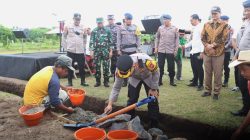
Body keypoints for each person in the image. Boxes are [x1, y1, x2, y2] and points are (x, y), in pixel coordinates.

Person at [104, 53, 160, 128]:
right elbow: (116, 87)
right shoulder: (119, 68)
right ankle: (130, 120)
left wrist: (153, 88)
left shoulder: (147, 61)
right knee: (132, 99)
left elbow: (156, 72)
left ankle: (154, 124)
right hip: (134, 78)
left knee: (153, 99)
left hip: (148, 76)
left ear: (133, 66)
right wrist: (110, 104)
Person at [201, 6, 229, 100]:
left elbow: (224, 38)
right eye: (212, 13)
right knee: (207, 72)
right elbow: (202, 37)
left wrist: (212, 46)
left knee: (218, 73)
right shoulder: (206, 24)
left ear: (220, 13)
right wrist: (207, 46)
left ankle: (216, 92)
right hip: (207, 52)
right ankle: (207, 90)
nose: (214, 15)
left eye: (216, 13)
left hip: (219, 53)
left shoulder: (225, 24)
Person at [231, 0, 250, 116]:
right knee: (242, 84)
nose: (246, 12)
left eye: (248, 10)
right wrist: (236, 55)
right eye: (245, 10)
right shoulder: (245, 23)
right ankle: (245, 109)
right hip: (242, 56)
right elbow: (241, 41)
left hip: (249, 57)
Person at [62, 13, 90, 87]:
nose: (77, 21)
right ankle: (69, 82)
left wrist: (84, 47)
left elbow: (85, 37)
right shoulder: (67, 26)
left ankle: (83, 81)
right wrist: (66, 47)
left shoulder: (83, 27)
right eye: (76, 19)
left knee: (81, 67)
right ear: (73, 19)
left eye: (79, 19)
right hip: (71, 50)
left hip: (80, 51)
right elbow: (64, 36)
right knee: (70, 67)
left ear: (80, 19)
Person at [229, 50, 250, 140]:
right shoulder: (249, 82)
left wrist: (240, 130)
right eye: (239, 70)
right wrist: (240, 130)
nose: (241, 73)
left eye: (244, 70)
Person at [117, 13, 141, 87]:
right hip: (124, 50)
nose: (128, 21)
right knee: (125, 66)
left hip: (133, 50)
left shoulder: (136, 27)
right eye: (127, 19)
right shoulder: (120, 28)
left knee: (134, 66)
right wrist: (118, 49)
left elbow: (138, 38)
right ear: (125, 19)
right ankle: (125, 81)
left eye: (130, 19)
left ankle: (133, 81)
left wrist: (138, 48)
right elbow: (119, 39)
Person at [155, 14, 179, 86]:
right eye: (164, 20)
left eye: (166, 20)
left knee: (171, 66)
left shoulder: (175, 29)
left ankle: (172, 80)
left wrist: (176, 50)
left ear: (170, 20)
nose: (165, 21)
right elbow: (157, 38)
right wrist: (156, 47)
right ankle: (159, 80)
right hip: (161, 50)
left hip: (170, 50)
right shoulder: (160, 28)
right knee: (160, 66)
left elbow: (177, 40)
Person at [89, 17, 113, 87]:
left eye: (101, 23)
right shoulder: (94, 31)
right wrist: (91, 52)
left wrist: (111, 51)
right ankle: (98, 81)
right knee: (97, 67)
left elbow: (110, 42)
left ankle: (106, 81)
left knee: (106, 66)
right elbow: (91, 42)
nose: (100, 24)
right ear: (97, 23)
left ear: (103, 22)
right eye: (98, 23)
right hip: (96, 52)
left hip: (105, 51)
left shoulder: (108, 30)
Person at [185, 14, 205, 91]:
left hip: (198, 52)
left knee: (199, 68)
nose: (190, 22)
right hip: (193, 52)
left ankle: (201, 84)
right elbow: (194, 41)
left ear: (196, 19)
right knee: (194, 68)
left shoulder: (201, 27)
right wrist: (185, 46)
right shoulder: (195, 28)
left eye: (191, 20)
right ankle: (195, 82)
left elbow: (203, 40)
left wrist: (202, 52)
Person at [220, 15, 233, 87]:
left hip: (226, 51)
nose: (222, 21)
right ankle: (219, 80)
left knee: (226, 66)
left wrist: (225, 47)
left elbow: (231, 40)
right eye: (221, 20)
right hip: (219, 51)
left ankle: (226, 81)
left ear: (227, 20)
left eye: (223, 20)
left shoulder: (230, 28)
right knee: (218, 66)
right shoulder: (220, 28)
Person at [106, 15, 120, 79]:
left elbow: (119, 37)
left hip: (115, 48)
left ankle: (115, 77)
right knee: (107, 63)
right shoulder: (105, 27)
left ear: (114, 20)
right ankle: (108, 76)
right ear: (108, 20)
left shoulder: (118, 27)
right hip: (107, 48)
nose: (110, 21)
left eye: (111, 19)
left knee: (115, 62)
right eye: (109, 19)